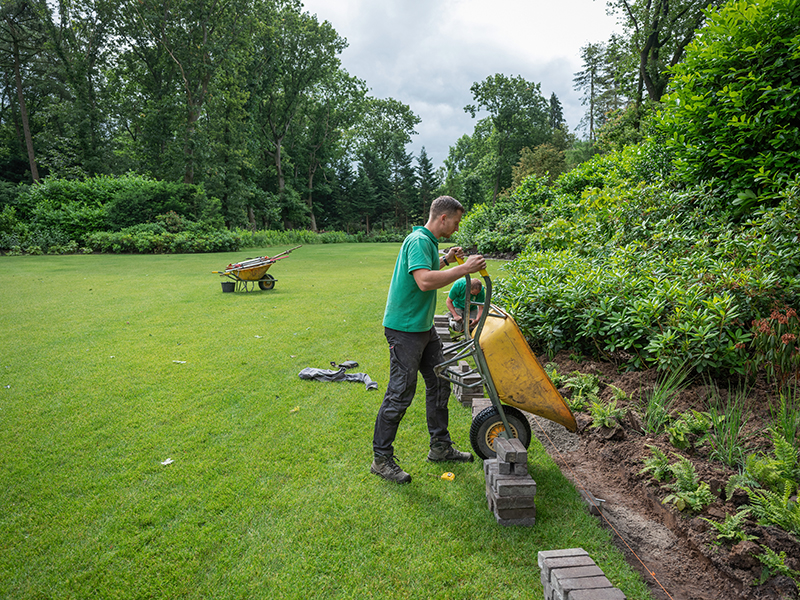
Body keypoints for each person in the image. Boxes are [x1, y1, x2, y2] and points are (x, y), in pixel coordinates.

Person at [371, 195, 487, 484]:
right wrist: (463, 268)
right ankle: (381, 459)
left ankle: (440, 447)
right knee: (400, 393)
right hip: (404, 330)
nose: (457, 229)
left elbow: (425, 267)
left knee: (438, 382)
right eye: (456, 222)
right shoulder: (419, 240)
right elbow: (424, 280)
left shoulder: (426, 241)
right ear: (443, 218)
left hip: (422, 328)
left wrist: (446, 259)